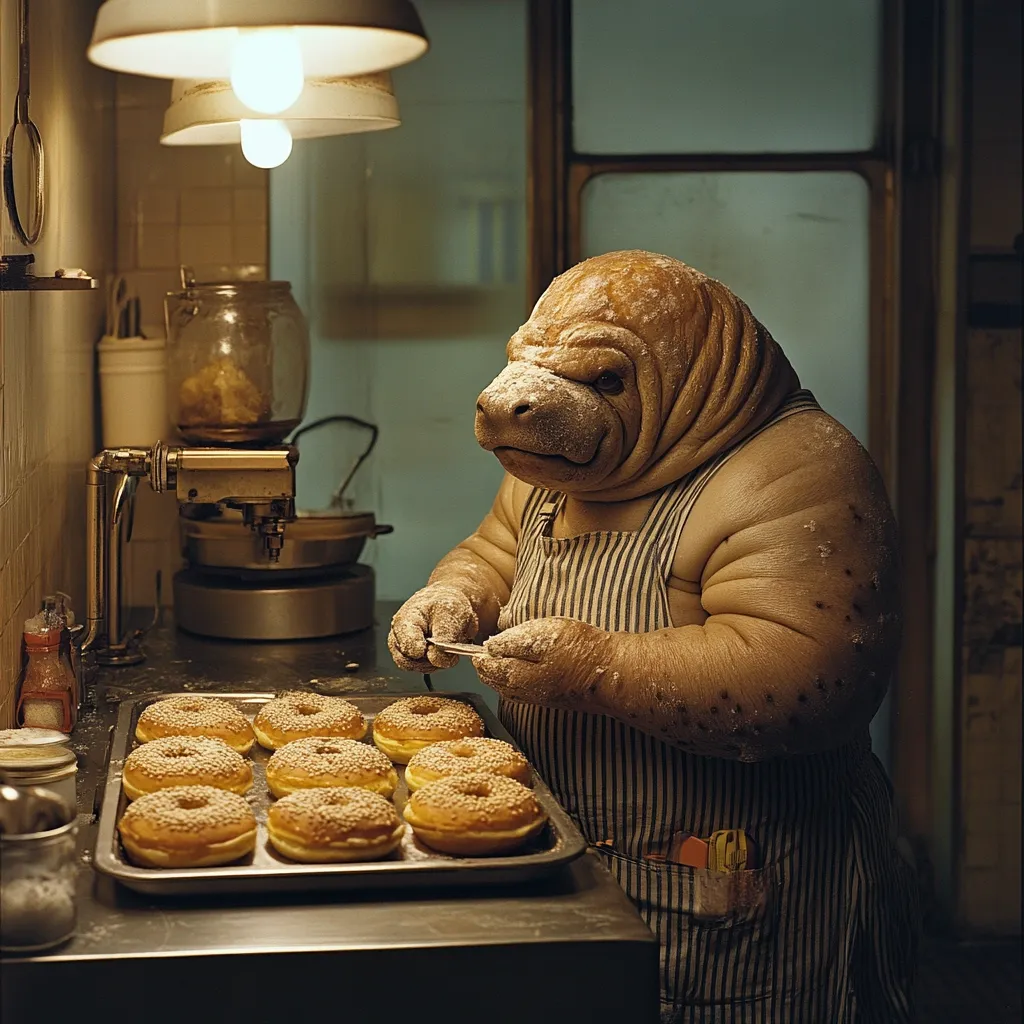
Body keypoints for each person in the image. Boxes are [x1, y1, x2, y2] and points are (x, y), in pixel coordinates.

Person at [389, 250, 919, 1023]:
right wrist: (456, 594)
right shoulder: (569, 463)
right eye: (528, 365)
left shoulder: (793, 470)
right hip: (579, 864)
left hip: (745, 896)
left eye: (604, 379)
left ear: (697, 380)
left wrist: (597, 666)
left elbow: (814, 678)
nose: (520, 400)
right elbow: (497, 553)